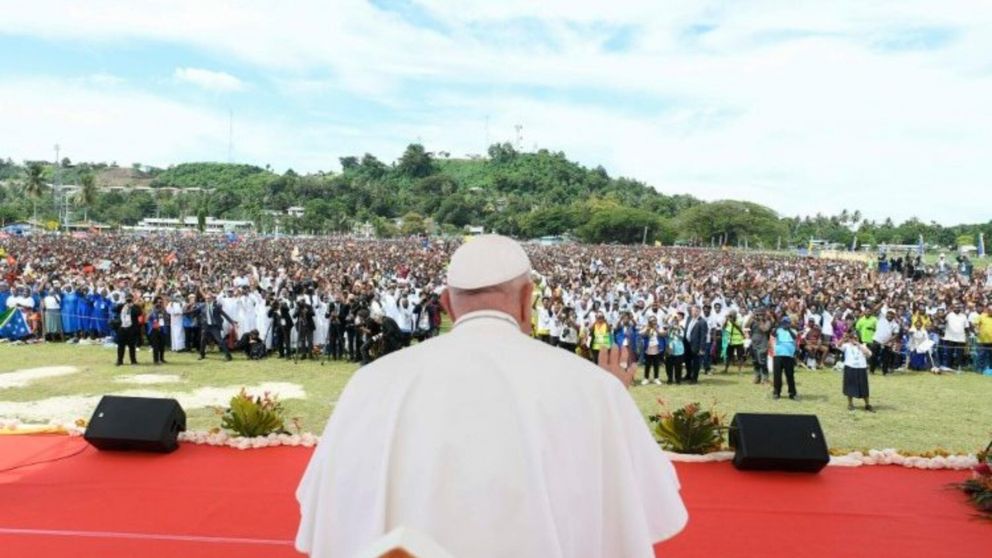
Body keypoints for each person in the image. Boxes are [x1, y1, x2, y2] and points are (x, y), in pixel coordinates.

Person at [296, 235, 687, 558]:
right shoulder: (592, 386)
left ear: (447, 304)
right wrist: (606, 402)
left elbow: (323, 507)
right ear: (526, 299)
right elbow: (647, 507)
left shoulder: (372, 381)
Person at [192, 292, 237, 361]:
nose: (207, 300)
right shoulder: (203, 306)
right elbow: (195, 311)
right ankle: (202, 354)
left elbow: (224, 314)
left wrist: (232, 322)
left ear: (212, 299)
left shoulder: (216, 306)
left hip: (214, 326)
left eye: (209, 298)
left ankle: (228, 356)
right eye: (206, 298)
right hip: (206, 326)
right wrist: (185, 313)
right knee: (203, 340)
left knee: (220, 341)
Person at [839, 330, 874, 412]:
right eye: (851, 337)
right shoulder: (846, 345)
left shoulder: (863, 345)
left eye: (855, 337)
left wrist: (858, 345)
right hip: (850, 367)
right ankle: (850, 404)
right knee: (849, 387)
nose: (853, 339)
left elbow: (869, 354)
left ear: (859, 338)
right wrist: (843, 338)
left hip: (861, 368)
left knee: (864, 387)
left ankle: (867, 404)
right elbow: (838, 345)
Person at [772, 316, 798, 400]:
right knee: (777, 376)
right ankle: (776, 393)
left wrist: (789, 329)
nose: (785, 324)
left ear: (790, 324)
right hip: (778, 355)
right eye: (784, 323)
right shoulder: (778, 330)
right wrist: (777, 326)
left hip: (789, 356)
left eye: (787, 323)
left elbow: (794, 337)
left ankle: (792, 393)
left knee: (790, 375)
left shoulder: (793, 331)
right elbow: (773, 334)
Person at [113, 293, 141, 366]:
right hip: (122, 328)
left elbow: (139, 313)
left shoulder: (135, 307)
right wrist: (123, 303)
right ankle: (119, 360)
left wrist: (133, 306)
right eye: (127, 299)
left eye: (130, 299)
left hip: (131, 329)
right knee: (120, 346)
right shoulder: (122, 306)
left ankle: (133, 361)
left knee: (132, 346)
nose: (128, 301)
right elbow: (114, 309)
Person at [640, 315, 666, 385]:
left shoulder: (659, 327)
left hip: (656, 347)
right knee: (647, 364)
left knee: (656, 364)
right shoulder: (646, 327)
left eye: (655, 321)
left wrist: (656, 330)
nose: (653, 322)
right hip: (648, 347)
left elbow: (663, 334)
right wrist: (647, 330)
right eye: (652, 321)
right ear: (649, 322)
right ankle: (646, 378)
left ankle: (656, 378)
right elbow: (641, 335)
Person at [749, 309, 772, 384]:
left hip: (763, 343)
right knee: (755, 361)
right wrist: (751, 317)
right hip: (754, 343)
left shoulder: (767, 322)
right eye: (758, 314)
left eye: (761, 314)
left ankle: (765, 378)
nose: (759, 316)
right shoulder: (753, 321)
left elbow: (765, 329)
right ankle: (757, 377)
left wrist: (760, 321)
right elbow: (745, 325)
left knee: (762, 361)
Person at [146, 296, 169, 365]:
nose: (159, 303)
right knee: (155, 345)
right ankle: (156, 360)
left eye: (161, 302)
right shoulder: (152, 309)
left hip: (162, 328)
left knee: (162, 345)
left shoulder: (163, 310)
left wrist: (163, 309)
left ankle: (161, 358)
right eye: (158, 302)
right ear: (155, 302)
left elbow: (167, 317)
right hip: (154, 329)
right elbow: (147, 318)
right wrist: (154, 310)